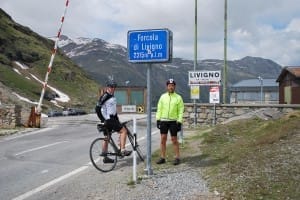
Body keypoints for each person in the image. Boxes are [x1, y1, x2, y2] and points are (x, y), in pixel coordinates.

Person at [97, 79, 132, 163]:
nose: (113, 88)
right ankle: (123, 150)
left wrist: (117, 120)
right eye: (111, 86)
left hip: (111, 119)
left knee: (107, 137)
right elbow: (97, 108)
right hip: (109, 120)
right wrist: (102, 119)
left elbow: (113, 111)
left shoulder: (112, 96)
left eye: (114, 87)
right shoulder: (105, 96)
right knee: (124, 131)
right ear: (107, 87)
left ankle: (105, 157)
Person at [156, 78, 184, 165]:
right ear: (167, 87)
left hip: (173, 121)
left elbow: (181, 110)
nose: (171, 87)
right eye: (169, 86)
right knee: (163, 139)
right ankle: (163, 157)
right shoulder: (162, 97)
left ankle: (177, 157)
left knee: (174, 139)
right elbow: (159, 108)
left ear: (174, 87)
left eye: (172, 86)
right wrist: (158, 119)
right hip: (163, 120)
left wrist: (179, 121)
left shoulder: (178, 97)